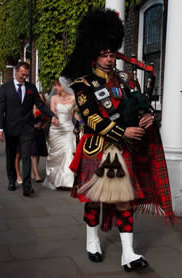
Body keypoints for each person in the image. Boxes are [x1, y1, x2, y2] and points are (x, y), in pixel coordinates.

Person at [61, 8, 176, 272]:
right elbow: (90, 118)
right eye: (104, 54)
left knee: (125, 199)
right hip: (97, 148)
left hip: (122, 151)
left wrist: (148, 116)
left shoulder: (123, 81)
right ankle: (92, 242)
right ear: (94, 55)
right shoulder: (83, 84)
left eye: (112, 53)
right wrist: (122, 132)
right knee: (93, 199)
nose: (110, 58)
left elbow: (136, 106)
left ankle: (128, 253)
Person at [0, 61, 58, 197]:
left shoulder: (31, 87)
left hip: (27, 128)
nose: (24, 77)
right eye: (22, 75)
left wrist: (52, 116)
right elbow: (0, 110)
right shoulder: (5, 88)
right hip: (10, 128)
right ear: (16, 72)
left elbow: (40, 105)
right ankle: (12, 180)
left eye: (27, 75)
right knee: (11, 156)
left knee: (26, 156)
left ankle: (26, 186)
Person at [43, 77, 79, 190]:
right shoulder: (53, 98)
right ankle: (55, 178)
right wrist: (54, 118)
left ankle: (67, 181)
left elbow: (76, 115)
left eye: (56, 86)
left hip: (68, 129)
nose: (55, 88)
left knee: (69, 152)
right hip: (56, 130)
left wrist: (81, 124)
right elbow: (53, 111)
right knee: (56, 156)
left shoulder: (73, 99)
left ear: (62, 86)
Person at [31, 92, 50, 182]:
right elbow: (29, 118)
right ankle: (37, 174)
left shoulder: (45, 109)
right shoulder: (32, 107)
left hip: (40, 132)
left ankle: (34, 171)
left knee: (37, 153)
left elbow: (48, 118)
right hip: (32, 132)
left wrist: (44, 125)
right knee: (34, 153)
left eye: (41, 98)